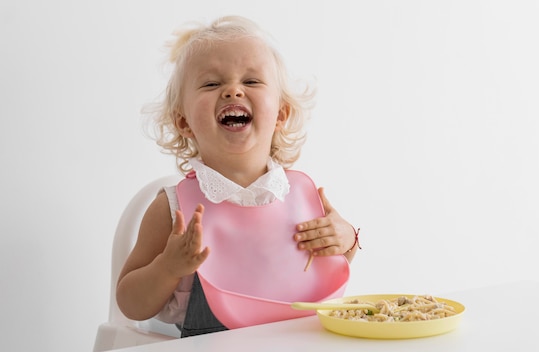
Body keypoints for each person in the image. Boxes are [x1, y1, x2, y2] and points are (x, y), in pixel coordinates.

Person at [115, 15, 360, 337]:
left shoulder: (301, 194)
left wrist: (346, 239)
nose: (233, 91)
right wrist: (168, 267)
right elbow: (130, 304)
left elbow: (329, 265)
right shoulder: (172, 209)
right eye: (212, 84)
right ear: (184, 122)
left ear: (281, 114)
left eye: (252, 82)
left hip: (300, 340)